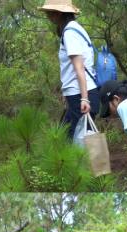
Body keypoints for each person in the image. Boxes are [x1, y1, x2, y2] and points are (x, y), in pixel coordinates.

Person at [39, 0, 100, 140]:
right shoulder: (75, 28)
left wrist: (84, 99)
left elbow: (79, 68)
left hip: (82, 96)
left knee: (74, 144)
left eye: (49, 13)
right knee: (72, 140)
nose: (48, 16)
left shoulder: (70, 33)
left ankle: (94, 163)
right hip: (81, 94)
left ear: (58, 13)